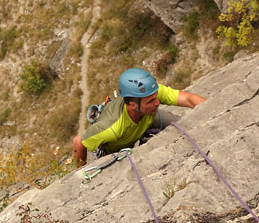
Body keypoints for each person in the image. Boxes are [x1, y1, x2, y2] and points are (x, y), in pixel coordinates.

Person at [72, 68, 205, 166]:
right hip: (118, 144)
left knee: (184, 125)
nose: (157, 102)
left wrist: (212, 111)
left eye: (156, 97)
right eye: (151, 101)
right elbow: (78, 143)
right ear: (132, 105)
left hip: (148, 119)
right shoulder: (111, 126)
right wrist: (81, 169)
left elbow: (189, 99)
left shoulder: (151, 93)